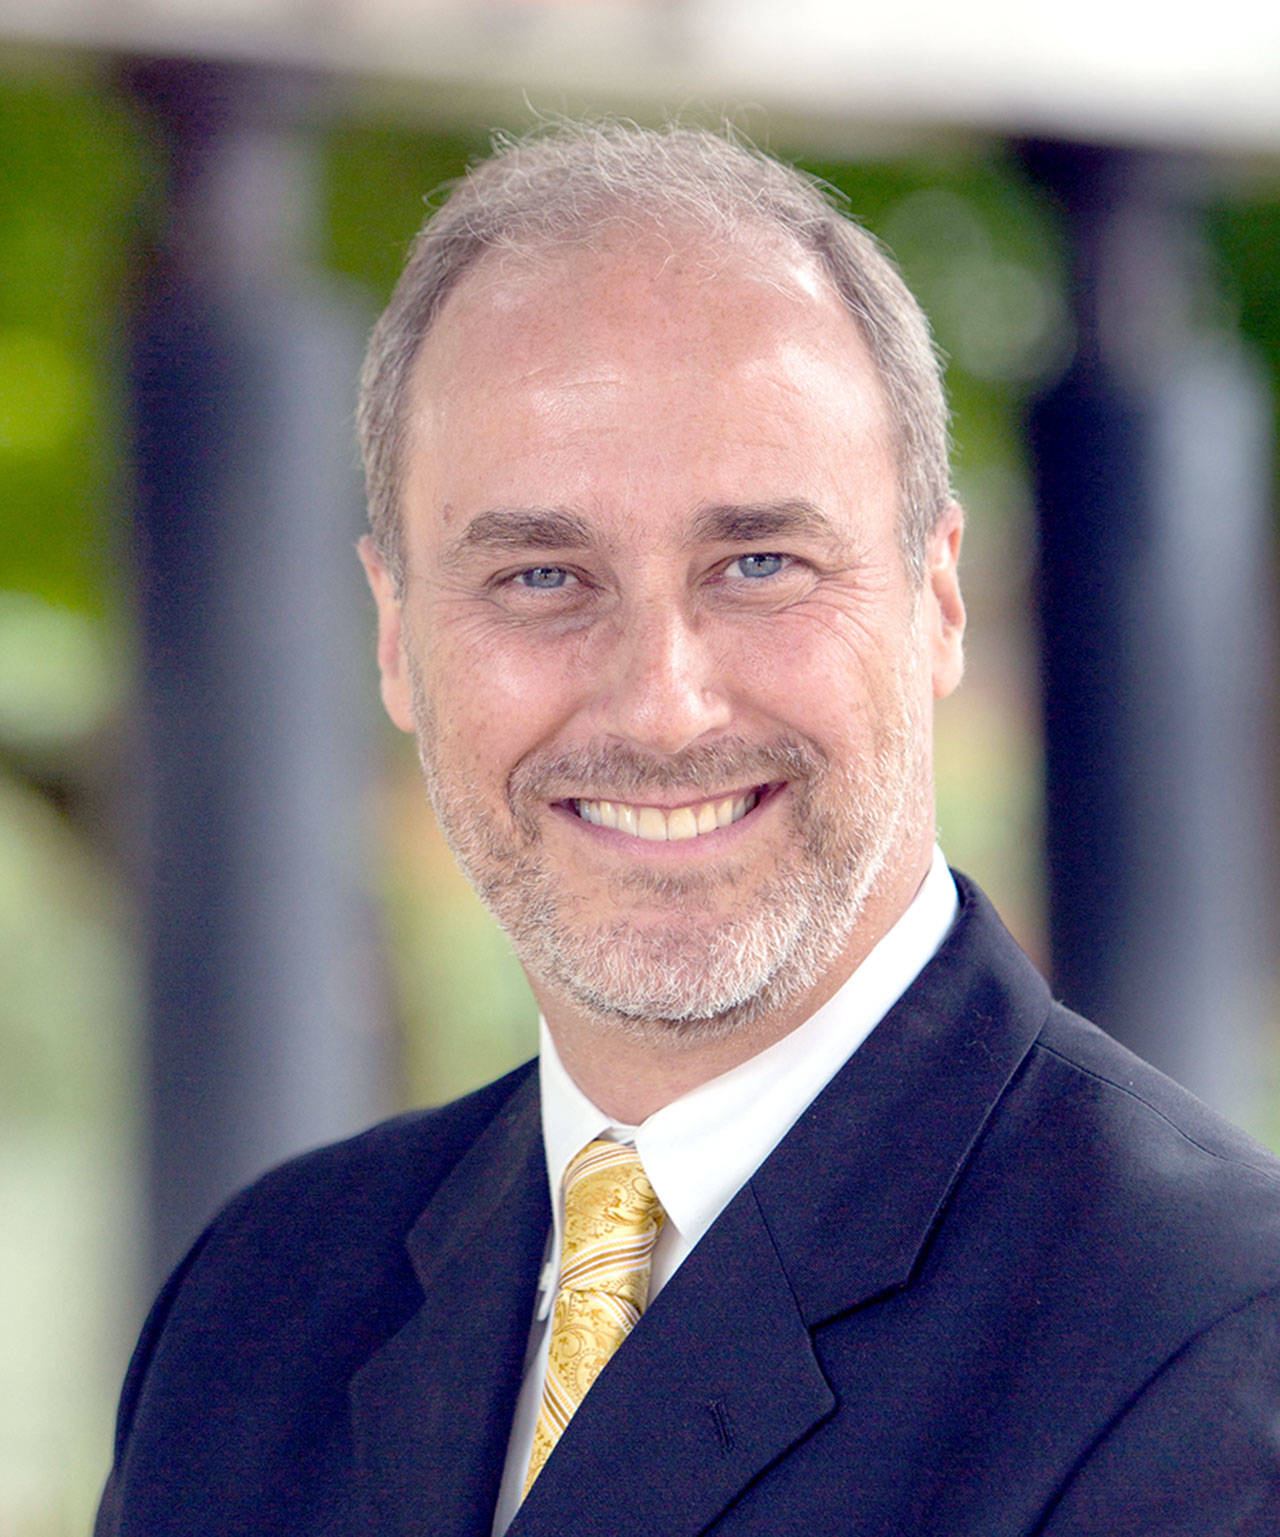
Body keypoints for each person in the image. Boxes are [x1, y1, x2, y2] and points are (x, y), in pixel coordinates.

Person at [97, 122, 1280, 1537]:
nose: (662, 703)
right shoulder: (254, 1310)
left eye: (759, 562)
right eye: (542, 575)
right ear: (397, 637)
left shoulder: (1210, 1350)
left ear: (937, 598)